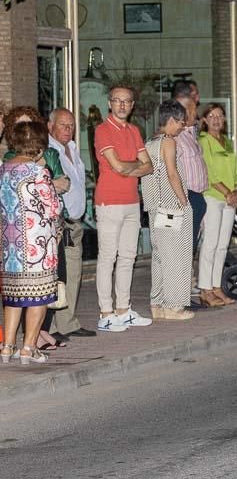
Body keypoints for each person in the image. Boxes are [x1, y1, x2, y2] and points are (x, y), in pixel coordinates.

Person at [0, 120, 62, 365]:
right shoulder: (38, 172)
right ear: (39, 145)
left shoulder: (3, 170)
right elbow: (52, 207)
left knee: (14, 298)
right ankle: (28, 348)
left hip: (10, 244)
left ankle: (7, 347)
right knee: (39, 296)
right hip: (37, 245)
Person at [94, 84, 154, 332]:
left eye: (126, 101)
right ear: (109, 103)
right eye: (117, 101)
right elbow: (117, 167)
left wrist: (126, 167)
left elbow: (149, 166)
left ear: (131, 106)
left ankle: (123, 309)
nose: (121, 105)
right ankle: (106, 313)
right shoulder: (102, 130)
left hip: (131, 200)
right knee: (108, 257)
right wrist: (130, 167)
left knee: (129, 256)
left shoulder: (134, 131)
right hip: (109, 201)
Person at [141, 101, 195, 321]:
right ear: (171, 120)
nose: (182, 128)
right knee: (175, 256)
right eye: (181, 123)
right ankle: (174, 306)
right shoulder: (168, 142)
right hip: (171, 207)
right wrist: (184, 201)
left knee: (160, 257)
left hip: (155, 207)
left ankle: (158, 303)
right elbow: (172, 174)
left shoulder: (150, 142)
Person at [47, 109, 92, 341]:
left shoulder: (73, 148)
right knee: (59, 275)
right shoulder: (49, 151)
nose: (68, 129)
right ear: (50, 126)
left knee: (73, 273)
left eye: (71, 125)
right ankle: (52, 326)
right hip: (59, 223)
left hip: (75, 222)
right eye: (63, 125)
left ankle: (67, 322)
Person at [197, 104, 237, 307]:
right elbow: (208, 171)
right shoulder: (203, 141)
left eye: (220, 116)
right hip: (213, 197)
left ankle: (216, 287)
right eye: (212, 116)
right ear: (205, 120)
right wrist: (227, 193)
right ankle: (205, 290)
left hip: (230, 199)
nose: (216, 119)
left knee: (223, 245)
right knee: (210, 244)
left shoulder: (227, 142)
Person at [171, 80, 209, 253]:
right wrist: (183, 202)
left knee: (190, 249)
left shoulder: (191, 134)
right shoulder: (175, 138)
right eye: (193, 110)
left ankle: (186, 279)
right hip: (185, 197)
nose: (197, 114)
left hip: (196, 197)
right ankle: (179, 280)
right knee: (181, 250)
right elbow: (170, 172)